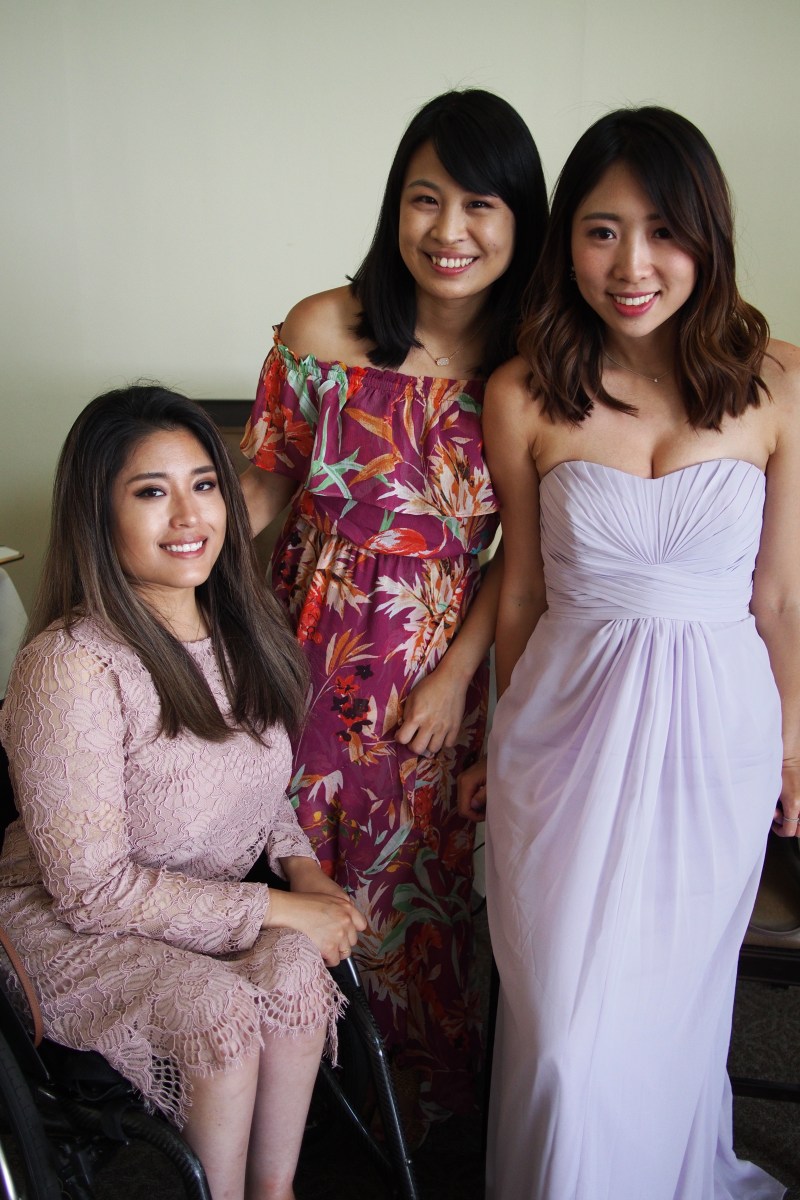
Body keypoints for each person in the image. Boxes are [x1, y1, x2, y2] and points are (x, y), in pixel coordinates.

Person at [463, 106, 800, 1198]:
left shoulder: (781, 384)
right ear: (566, 240)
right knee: (564, 1034)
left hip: (717, 744)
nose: (632, 264)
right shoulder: (522, 391)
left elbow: (779, 596)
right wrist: (502, 741)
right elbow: (521, 589)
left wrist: (792, 744)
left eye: (662, 231)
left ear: (707, 236)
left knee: (669, 1013)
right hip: (561, 742)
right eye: (601, 230)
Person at [238, 88, 548, 1126]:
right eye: (425, 199)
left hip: (429, 671)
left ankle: (409, 1111)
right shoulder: (322, 329)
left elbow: (521, 552)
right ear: (394, 206)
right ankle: (290, 1101)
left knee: (416, 887)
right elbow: (263, 488)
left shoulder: (531, 368)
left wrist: (458, 678)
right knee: (290, 863)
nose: (448, 231)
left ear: (520, 219)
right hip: (299, 647)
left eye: (479, 205)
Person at [0, 385, 366, 1200]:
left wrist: (305, 875)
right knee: (217, 1011)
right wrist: (274, 907)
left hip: (202, 905)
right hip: (75, 925)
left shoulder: (242, 632)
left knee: (295, 972)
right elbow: (92, 891)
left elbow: (255, 788)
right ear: (97, 515)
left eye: (204, 484)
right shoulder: (74, 664)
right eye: (150, 492)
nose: (189, 515)